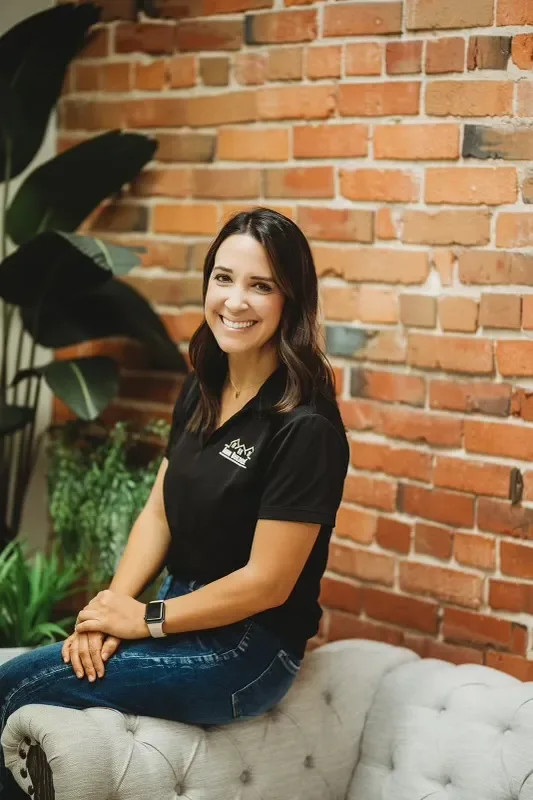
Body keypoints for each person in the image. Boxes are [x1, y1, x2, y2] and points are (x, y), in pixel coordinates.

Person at [0, 207, 349, 798]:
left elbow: (268, 583)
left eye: (261, 286)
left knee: (13, 687)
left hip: (247, 650)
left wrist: (145, 620)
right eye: (224, 277)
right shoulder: (204, 384)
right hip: (175, 612)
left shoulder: (305, 424)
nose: (235, 301)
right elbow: (158, 511)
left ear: (292, 300)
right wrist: (112, 608)